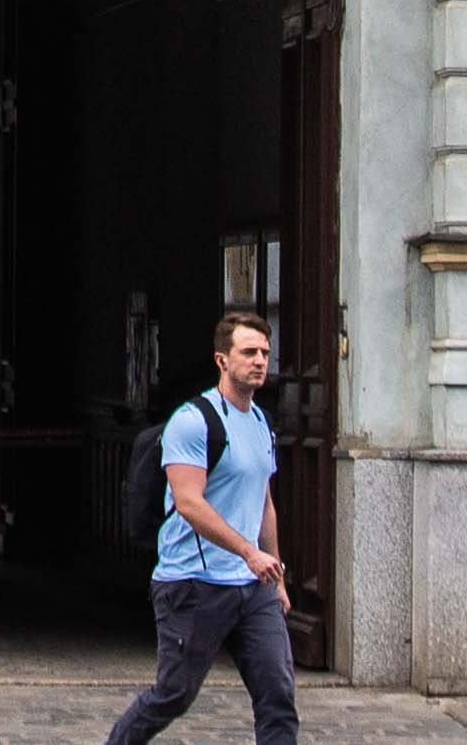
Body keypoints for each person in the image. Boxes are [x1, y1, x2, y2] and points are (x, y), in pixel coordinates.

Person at [101, 309, 296, 745]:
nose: (260, 361)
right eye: (249, 352)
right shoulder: (193, 421)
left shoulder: (261, 422)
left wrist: (276, 574)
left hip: (253, 588)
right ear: (222, 360)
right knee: (173, 695)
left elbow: (264, 503)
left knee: (278, 694)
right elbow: (189, 503)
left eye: (265, 353)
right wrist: (248, 551)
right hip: (193, 584)